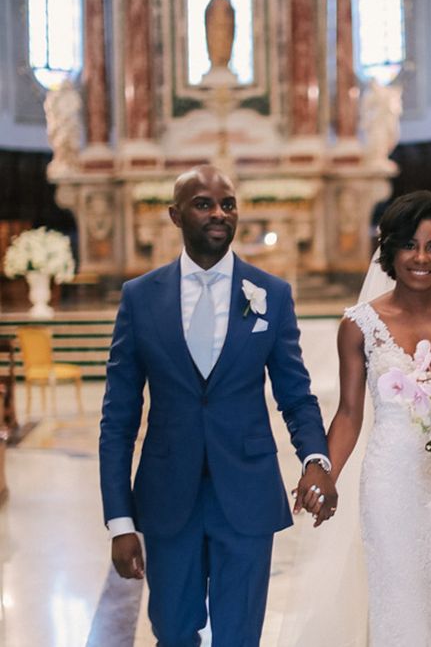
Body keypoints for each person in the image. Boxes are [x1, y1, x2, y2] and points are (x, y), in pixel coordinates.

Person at [98, 165, 337, 646]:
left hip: (247, 493)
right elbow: (118, 419)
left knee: (240, 635)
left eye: (227, 204)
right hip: (168, 498)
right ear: (175, 215)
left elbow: (295, 393)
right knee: (172, 630)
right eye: (203, 204)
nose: (219, 213)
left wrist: (316, 458)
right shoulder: (141, 299)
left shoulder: (271, 294)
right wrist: (120, 521)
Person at [327, 190, 431, 645]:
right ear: (389, 250)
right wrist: (324, 473)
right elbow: (347, 413)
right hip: (392, 486)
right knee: (400, 605)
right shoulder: (360, 325)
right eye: (409, 245)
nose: (421, 258)